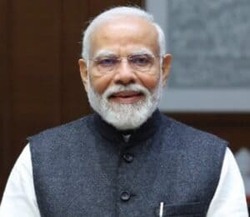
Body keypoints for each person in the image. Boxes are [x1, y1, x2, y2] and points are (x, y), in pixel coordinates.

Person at [0, 6, 248, 217]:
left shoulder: (213, 159)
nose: (125, 75)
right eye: (107, 62)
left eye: (141, 60)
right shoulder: (38, 158)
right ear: (85, 73)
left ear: (164, 69)